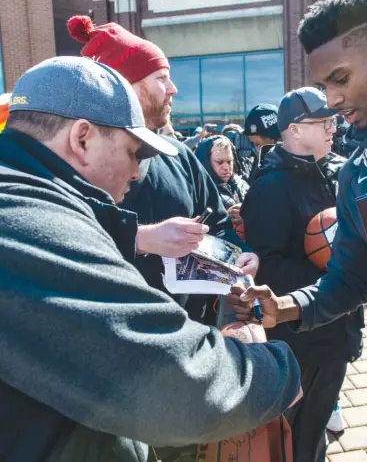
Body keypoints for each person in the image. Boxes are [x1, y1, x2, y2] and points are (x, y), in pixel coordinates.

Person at [0, 56, 301, 462]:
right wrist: (273, 368)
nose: (138, 174)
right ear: (82, 138)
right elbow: (170, 385)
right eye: (133, 153)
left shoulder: (27, 197)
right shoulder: (25, 220)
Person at [227, 0, 367, 461]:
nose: (332, 99)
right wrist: (285, 307)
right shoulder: (359, 173)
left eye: (341, 78)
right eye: (324, 84)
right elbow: (347, 279)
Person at [67, 16, 258, 319]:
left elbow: (218, 226)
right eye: (160, 78)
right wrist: (141, 239)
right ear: (123, 88)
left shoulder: (179, 156)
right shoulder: (74, 161)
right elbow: (56, 242)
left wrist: (240, 255)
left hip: (192, 337)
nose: (173, 88)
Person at [240, 87, 360, 462]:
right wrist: (334, 272)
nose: (331, 128)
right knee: (292, 438)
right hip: (298, 341)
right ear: (292, 130)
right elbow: (268, 268)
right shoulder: (270, 187)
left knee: (316, 431)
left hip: (338, 331)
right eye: (322, 122)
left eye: (333, 120)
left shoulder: (342, 173)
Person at [195, 135, 249, 223]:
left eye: (229, 161)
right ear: (205, 163)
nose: (226, 167)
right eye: (219, 162)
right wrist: (226, 218)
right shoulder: (200, 192)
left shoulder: (242, 184)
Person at [241, 104, 282, 183]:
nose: (255, 149)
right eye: (252, 144)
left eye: (257, 144)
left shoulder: (290, 168)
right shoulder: (259, 162)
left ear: (273, 139)